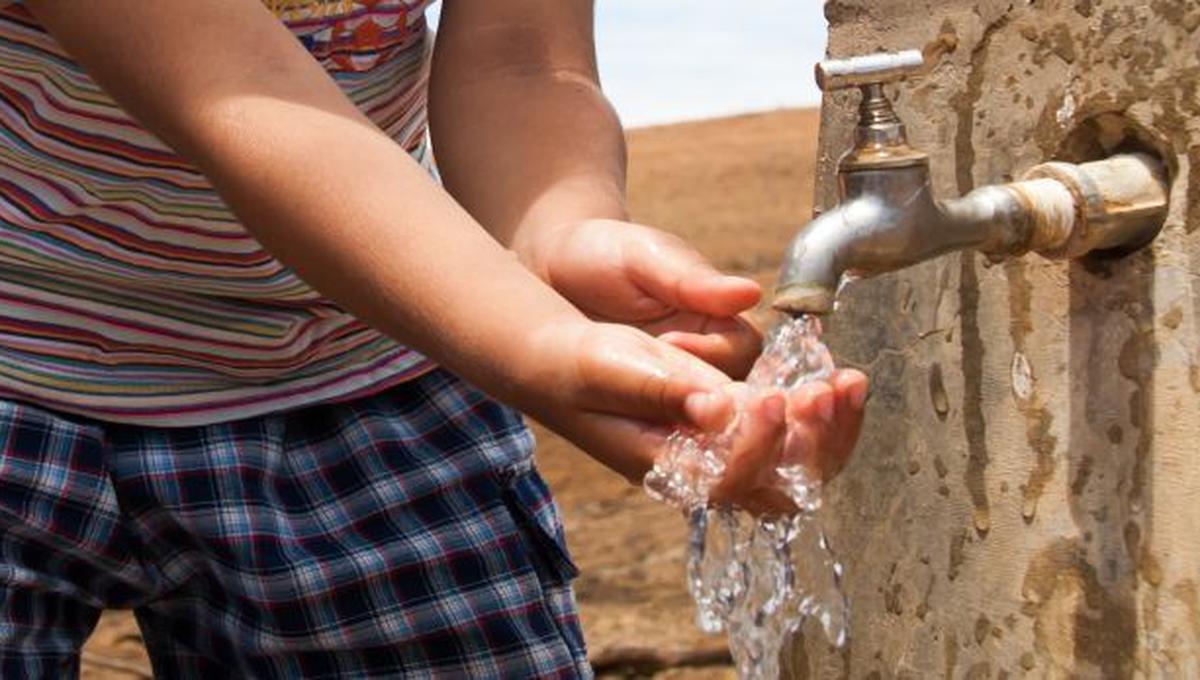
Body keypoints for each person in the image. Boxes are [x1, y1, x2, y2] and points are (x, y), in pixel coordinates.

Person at [0, 1, 867, 677]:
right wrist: (533, 341)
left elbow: (520, 59)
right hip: (21, 377)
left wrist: (561, 232)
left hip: (363, 367)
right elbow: (232, 87)